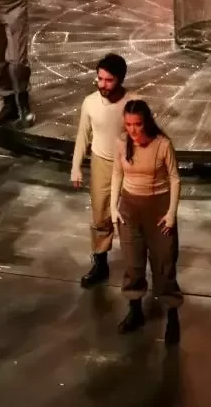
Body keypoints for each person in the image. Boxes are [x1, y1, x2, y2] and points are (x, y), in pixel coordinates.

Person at [111, 100, 183, 345]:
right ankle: (135, 310)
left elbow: (174, 179)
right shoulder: (122, 143)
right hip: (130, 208)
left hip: (158, 208)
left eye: (138, 124)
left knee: (164, 263)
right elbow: (117, 173)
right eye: (128, 124)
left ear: (147, 122)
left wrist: (171, 213)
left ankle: (172, 314)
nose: (133, 130)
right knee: (133, 263)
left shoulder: (162, 145)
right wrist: (113, 207)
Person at [70, 53, 138, 288]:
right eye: (100, 78)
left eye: (109, 80)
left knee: (131, 216)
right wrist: (76, 166)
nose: (102, 84)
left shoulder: (133, 103)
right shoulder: (90, 102)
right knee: (100, 215)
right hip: (101, 162)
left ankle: (135, 265)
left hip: (128, 164)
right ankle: (100, 262)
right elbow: (83, 135)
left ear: (120, 79)